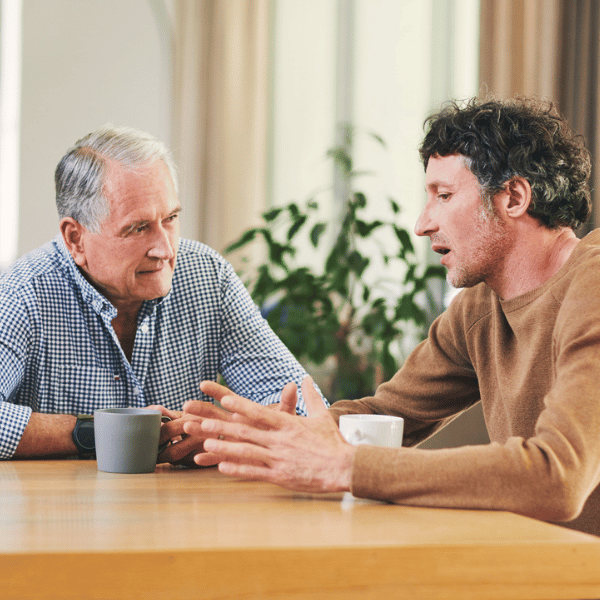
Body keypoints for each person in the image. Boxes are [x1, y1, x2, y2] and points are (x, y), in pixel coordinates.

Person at [181, 96, 600, 538]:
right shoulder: (479, 310)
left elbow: (559, 477)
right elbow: (386, 416)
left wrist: (350, 466)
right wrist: (244, 434)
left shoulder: (592, 286)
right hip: (543, 564)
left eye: (444, 195)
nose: (421, 224)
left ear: (513, 197)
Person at [0, 124, 324, 464]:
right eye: (138, 228)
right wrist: (102, 432)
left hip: (182, 510)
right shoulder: (25, 293)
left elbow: (307, 405)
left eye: (170, 218)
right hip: (60, 509)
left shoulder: (207, 277)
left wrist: (228, 433)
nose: (165, 249)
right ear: (75, 239)